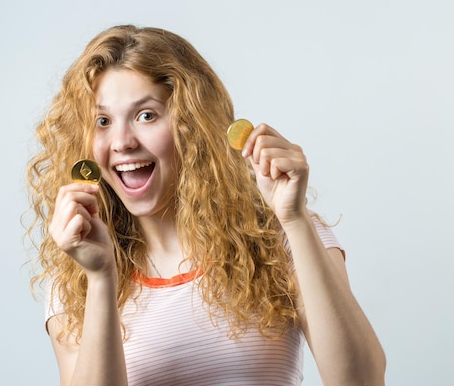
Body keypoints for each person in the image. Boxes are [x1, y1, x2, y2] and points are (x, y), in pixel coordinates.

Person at [26, 25, 385, 386]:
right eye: (102, 121)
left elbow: (364, 380)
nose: (121, 142)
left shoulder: (281, 236)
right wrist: (101, 277)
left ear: (191, 124)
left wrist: (294, 219)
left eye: (146, 115)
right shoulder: (75, 278)